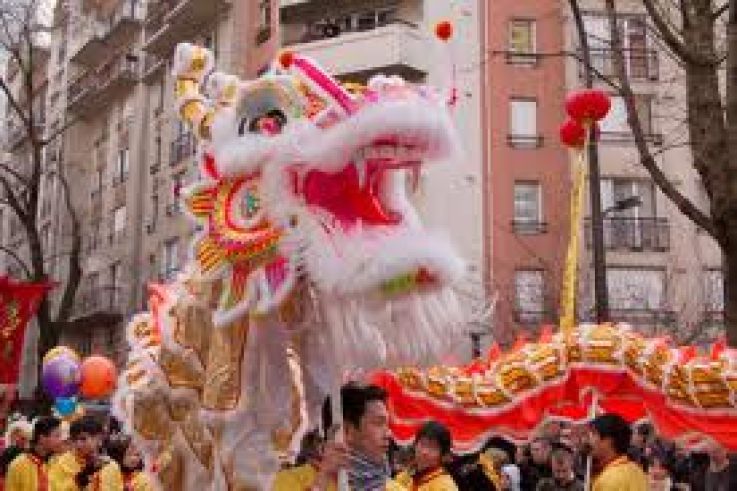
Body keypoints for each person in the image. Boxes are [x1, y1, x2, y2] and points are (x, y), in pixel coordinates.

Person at [272, 382, 404, 490]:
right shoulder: (291, 481)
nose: (388, 434)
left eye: (387, 425)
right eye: (378, 423)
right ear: (346, 430)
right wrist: (322, 480)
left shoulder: (395, 489)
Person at [47, 415, 115, 491]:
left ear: (99, 439)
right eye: (74, 439)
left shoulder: (111, 466)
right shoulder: (60, 465)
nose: (78, 444)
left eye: (83, 439)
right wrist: (82, 477)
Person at [588, 413, 647, 491]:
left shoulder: (609, 479)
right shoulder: (637, 471)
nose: (590, 440)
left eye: (594, 434)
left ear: (608, 441)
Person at [5, 416, 64, 491]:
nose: (60, 440)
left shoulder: (58, 463)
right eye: (57, 436)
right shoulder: (18, 465)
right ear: (42, 438)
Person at [403, 421, 457, 490]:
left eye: (433, 447)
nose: (424, 452)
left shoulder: (446, 487)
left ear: (443, 455)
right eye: (422, 444)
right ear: (415, 445)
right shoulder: (405, 476)